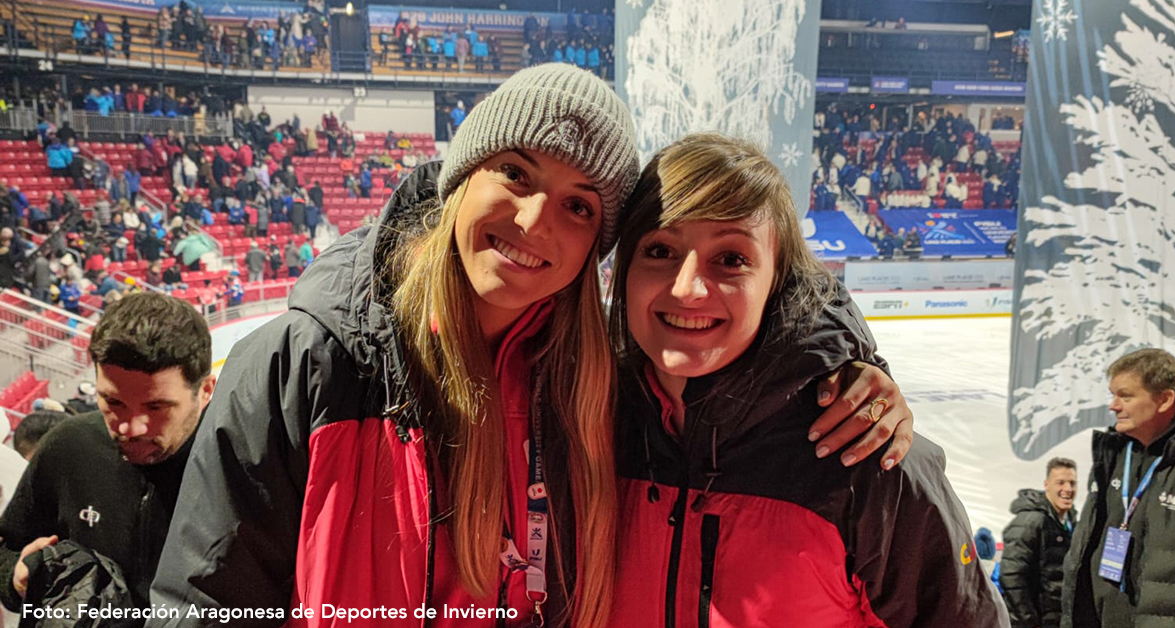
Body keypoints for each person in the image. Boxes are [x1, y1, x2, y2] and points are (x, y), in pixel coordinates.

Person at [150, 65, 908, 628]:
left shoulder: (596, 384)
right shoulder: (302, 365)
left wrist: (845, 358)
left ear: (593, 250)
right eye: (516, 172)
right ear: (459, 178)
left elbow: (751, 318)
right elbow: (200, 604)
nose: (538, 220)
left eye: (580, 206)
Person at [605, 134, 1004, 626]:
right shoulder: (584, 418)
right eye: (660, 249)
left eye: (731, 259)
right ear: (623, 270)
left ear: (778, 280)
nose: (688, 288)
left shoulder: (869, 456)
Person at [0, 293, 215, 613]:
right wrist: (15, 577)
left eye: (156, 407)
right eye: (113, 403)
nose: (131, 428)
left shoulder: (242, 463)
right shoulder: (67, 446)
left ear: (206, 391)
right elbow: (7, 549)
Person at [1061, 348, 1175, 627]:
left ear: (1164, 400)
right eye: (1113, 395)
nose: (1113, 405)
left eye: (1125, 396)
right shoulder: (1113, 453)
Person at [1000, 457, 1078, 628]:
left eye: (1072, 483)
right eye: (1061, 482)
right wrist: (1030, 621)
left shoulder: (1072, 522)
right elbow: (1011, 575)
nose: (1068, 489)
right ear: (1046, 484)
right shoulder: (1031, 520)